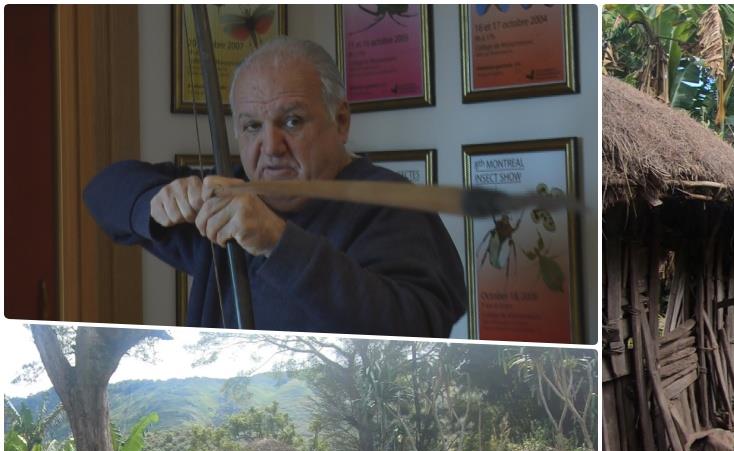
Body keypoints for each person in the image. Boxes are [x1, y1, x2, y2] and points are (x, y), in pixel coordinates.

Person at [83, 38, 465, 336]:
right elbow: (104, 191)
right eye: (252, 127)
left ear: (342, 122)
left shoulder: (392, 205)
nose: (270, 147)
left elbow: (417, 329)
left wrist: (279, 242)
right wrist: (156, 201)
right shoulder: (228, 197)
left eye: (293, 121)